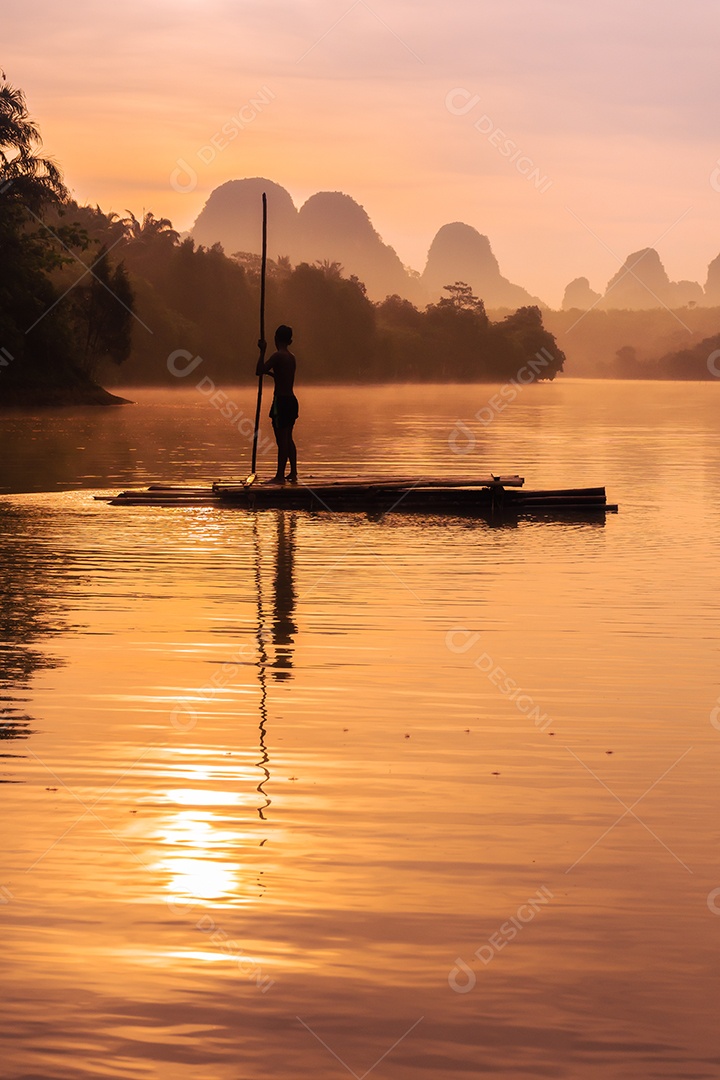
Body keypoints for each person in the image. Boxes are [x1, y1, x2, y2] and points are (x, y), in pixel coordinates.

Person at [256, 324, 298, 484]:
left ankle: (280, 476)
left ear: (275, 339)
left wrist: (262, 350)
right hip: (292, 400)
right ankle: (293, 472)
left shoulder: (277, 356)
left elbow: (259, 370)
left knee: (282, 440)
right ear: (290, 341)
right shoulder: (291, 357)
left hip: (281, 401)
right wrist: (273, 374)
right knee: (289, 438)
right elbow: (283, 377)